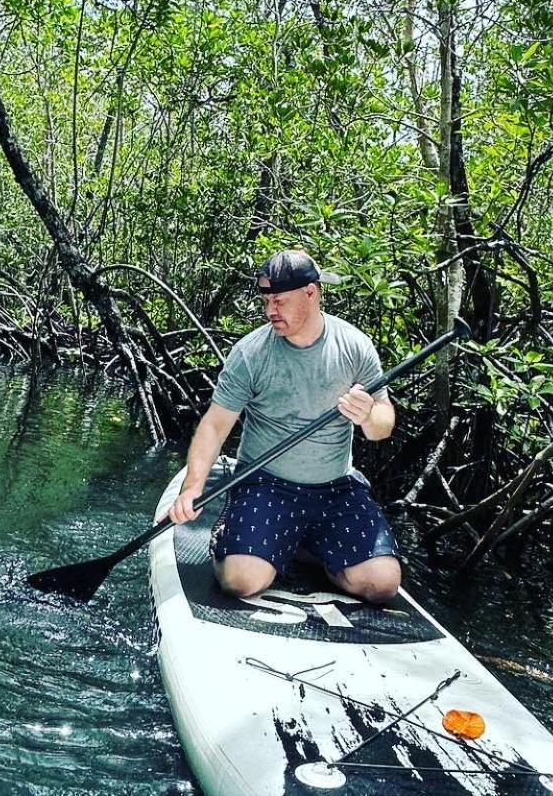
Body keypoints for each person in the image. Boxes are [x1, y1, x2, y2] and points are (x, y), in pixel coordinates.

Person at [167, 249, 402, 604]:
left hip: (335, 488)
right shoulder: (251, 353)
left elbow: (383, 425)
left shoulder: (354, 346)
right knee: (241, 581)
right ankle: (236, 538)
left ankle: (306, 545)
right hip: (266, 483)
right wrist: (192, 487)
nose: (270, 310)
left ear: (311, 293)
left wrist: (369, 415)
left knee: (383, 585)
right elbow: (215, 426)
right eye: (266, 300)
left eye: (280, 300)